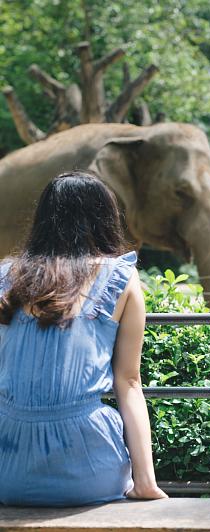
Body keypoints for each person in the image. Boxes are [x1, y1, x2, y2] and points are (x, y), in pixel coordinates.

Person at [0, 171, 167, 506]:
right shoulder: (120, 277)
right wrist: (145, 482)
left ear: (43, 220)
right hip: (89, 470)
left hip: (9, 471)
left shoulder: (6, 278)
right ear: (103, 218)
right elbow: (129, 382)